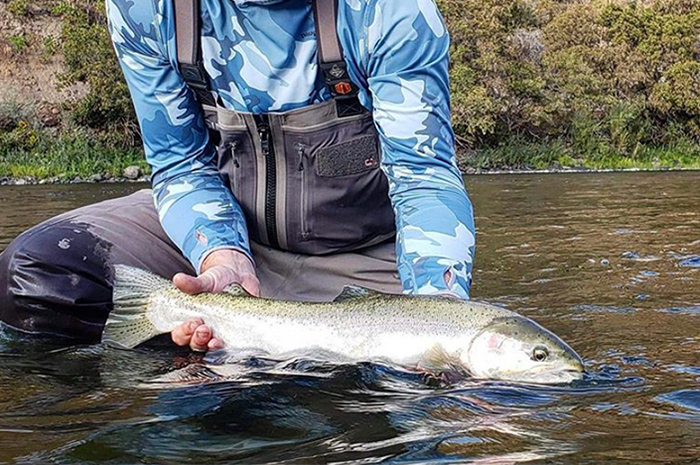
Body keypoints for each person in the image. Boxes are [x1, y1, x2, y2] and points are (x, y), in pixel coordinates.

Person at [0, 0, 475, 351]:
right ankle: (194, 352)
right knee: (39, 271)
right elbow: (180, 163)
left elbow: (422, 176)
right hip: (220, 242)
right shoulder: (148, 9)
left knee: (406, 390)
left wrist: (439, 318)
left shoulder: (389, 13)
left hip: (359, 256)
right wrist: (220, 257)